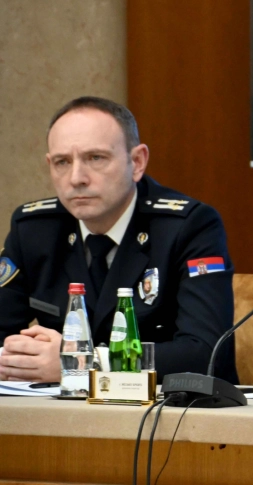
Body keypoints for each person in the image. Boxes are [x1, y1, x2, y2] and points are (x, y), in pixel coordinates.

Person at [0, 97, 237, 384]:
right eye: (63, 162)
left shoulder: (188, 226)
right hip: (57, 407)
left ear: (137, 162)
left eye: (95, 158)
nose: (76, 178)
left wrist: (85, 363)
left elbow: (206, 353)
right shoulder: (34, 229)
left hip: (164, 409)